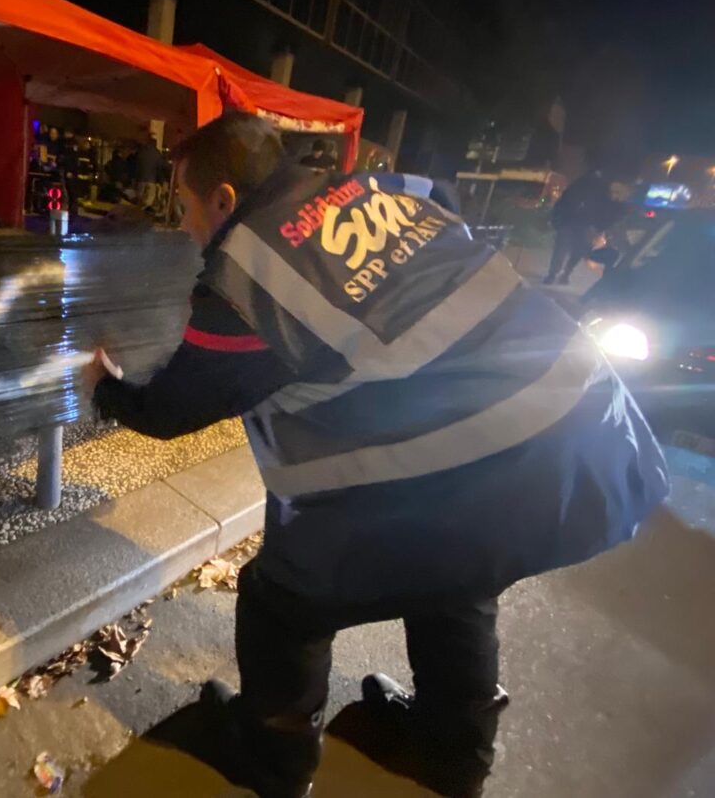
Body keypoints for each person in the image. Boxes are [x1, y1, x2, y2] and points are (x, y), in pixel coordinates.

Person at [82, 113, 668, 798]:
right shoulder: (381, 190)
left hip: (491, 454)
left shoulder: (256, 270)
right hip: (588, 429)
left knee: (282, 598)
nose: (183, 225)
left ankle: (272, 755)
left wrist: (103, 387)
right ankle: (454, 750)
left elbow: (177, 406)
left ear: (222, 201)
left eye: (184, 204)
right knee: (459, 576)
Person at [544, 165, 611, 285]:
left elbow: (604, 212)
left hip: (584, 226)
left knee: (574, 251)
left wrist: (599, 229)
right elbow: (563, 203)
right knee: (564, 250)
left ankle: (562, 274)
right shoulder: (579, 189)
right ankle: (555, 274)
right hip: (572, 223)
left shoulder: (600, 192)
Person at [133, 135, 167, 211]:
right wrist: (161, 181)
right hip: (152, 181)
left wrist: (135, 179)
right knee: (149, 201)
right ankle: (143, 215)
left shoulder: (141, 153)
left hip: (141, 180)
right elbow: (160, 169)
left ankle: (138, 213)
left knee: (140, 200)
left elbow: (136, 167)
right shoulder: (158, 154)